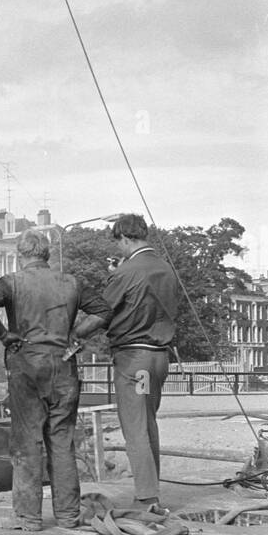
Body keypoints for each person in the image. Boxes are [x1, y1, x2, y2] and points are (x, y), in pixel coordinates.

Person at [0, 227, 109, 531]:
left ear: (20, 255)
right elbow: (103, 311)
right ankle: (67, 515)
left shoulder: (12, 282)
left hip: (26, 366)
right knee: (62, 441)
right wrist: (76, 334)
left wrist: (5, 335)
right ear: (46, 254)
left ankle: (29, 517)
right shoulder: (71, 282)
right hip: (64, 367)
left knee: (27, 441)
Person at [100, 214, 180, 512]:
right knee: (147, 424)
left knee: (134, 428)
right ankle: (151, 494)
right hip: (160, 357)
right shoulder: (167, 269)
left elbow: (102, 312)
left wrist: (74, 336)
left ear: (124, 239)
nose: (119, 249)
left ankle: (147, 499)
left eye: (118, 243)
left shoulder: (127, 271)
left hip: (135, 359)